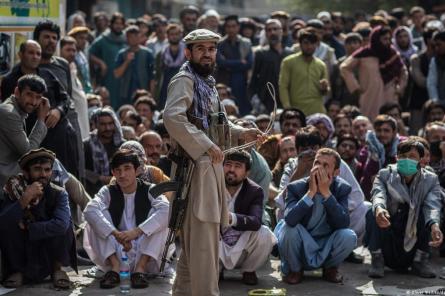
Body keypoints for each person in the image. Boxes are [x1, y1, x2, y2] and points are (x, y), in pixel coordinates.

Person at [163, 28, 262, 296]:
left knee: (196, 247)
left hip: (209, 167)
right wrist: (206, 145)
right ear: (188, 52)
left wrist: (242, 132)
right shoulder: (184, 79)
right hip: (195, 169)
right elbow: (172, 118)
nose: (207, 54)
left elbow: (217, 123)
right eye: (201, 49)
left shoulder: (206, 82)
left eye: (211, 49)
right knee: (204, 246)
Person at [83, 149, 171, 289]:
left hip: (145, 250)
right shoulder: (108, 191)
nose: (122, 175)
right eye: (117, 170)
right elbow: (89, 210)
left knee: (162, 217)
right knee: (94, 216)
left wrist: (136, 232)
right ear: (113, 173)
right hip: (117, 248)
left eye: (127, 168)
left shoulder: (150, 190)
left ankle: (140, 270)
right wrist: (116, 234)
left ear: (137, 171)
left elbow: (166, 211)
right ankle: (115, 268)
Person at [275, 148, 357, 284]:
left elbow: (343, 223)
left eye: (326, 166)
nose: (319, 168)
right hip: (302, 240)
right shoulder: (296, 187)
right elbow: (290, 219)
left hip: (326, 241)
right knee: (287, 229)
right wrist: (311, 193)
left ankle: (330, 269)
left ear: (336, 172)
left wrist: (326, 194)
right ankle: (295, 270)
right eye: (317, 163)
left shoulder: (342, 188)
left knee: (348, 236)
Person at [365, 138, 443, 278]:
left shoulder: (431, 180)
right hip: (388, 232)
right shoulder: (385, 174)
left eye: (412, 156)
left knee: (425, 215)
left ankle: (420, 261)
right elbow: (378, 194)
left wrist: (434, 225)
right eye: (402, 156)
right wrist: (380, 208)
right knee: (372, 212)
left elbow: (432, 205)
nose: (406, 160)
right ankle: (377, 260)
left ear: (420, 160)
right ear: (397, 158)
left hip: (413, 240)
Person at [0, 149, 76, 289]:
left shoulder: (59, 193)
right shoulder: (13, 190)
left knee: (66, 224)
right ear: (26, 172)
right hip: (24, 251)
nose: (43, 175)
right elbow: (3, 223)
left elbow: (61, 225)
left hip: (48, 249)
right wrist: (24, 199)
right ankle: (19, 271)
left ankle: (57, 269)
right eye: (37, 169)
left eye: (47, 170)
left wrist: (30, 228)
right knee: (9, 224)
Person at [219, 151, 277, 285]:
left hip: (242, 245)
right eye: (228, 165)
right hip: (217, 242)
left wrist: (231, 218)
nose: (231, 170)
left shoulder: (254, 191)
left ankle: (249, 270)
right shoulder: (213, 186)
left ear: (247, 173)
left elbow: (256, 221)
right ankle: (216, 270)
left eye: (238, 166)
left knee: (264, 234)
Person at [341, 26, 408, 120]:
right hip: (369, 96)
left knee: (390, 124)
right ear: (376, 39)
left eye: (389, 39)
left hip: (390, 95)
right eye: (385, 39)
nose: (388, 41)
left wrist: (399, 89)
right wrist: (356, 87)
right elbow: (344, 67)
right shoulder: (364, 53)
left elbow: (403, 71)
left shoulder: (392, 53)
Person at [0, 75, 49, 188]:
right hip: (5, 176)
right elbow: (29, 153)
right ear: (17, 92)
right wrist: (41, 119)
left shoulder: (17, 110)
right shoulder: (9, 113)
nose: (33, 102)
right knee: (54, 167)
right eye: (29, 95)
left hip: (13, 170)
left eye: (38, 97)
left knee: (53, 166)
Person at [279, 30, 329, 116]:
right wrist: (287, 107)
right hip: (296, 112)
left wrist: (324, 88)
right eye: (306, 43)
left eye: (312, 43)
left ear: (316, 45)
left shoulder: (321, 65)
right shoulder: (288, 62)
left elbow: (326, 91)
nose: (309, 46)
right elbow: (283, 86)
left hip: (317, 111)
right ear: (300, 44)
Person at [249, 19, 293, 113]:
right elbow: (253, 80)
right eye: (269, 30)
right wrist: (255, 100)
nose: (272, 32)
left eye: (275, 29)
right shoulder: (260, 53)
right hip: (266, 102)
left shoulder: (290, 53)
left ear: (281, 31)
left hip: (288, 100)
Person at [358, 115, 405, 200]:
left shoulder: (404, 146)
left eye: (386, 131)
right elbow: (365, 181)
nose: (382, 134)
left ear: (394, 132)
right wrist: (374, 159)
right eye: (379, 131)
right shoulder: (368, 149)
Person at [216, 15, 253, 115]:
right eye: (228, 26)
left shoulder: (246, 43)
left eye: (233, 26)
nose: (231, 29)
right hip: (225, 81)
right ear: (225, 27)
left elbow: (249, 64)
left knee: (243, 110)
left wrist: (229, 64)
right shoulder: (220, 44)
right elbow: (221, 63)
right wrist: (240, 62)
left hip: (242, 81)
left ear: (238, 27)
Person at [89, 12, 126, 109]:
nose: (118, 26)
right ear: (111, 24)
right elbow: (90, 53)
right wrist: (100, 63)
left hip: (124, 78)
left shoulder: (126, 38)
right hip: (109, 78)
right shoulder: (103, 39)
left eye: (120, 24)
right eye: (116, 23)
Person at [84, 108, 124, 195]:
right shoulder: (86, 145)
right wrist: (100, 178)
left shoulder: (123, 145)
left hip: (119, 191)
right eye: (103, 124)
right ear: (95, 125)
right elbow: (80, 169)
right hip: (93, 192)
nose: (108, 128)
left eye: (110, 123)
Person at [114, 25, 155, 108]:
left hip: (143, 93)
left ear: (140, 37)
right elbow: (117, 74)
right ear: (127, 38)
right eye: (131, 37)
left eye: (136, 36)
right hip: (126, 95)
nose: (134, 39)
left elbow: (152, 77)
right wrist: (127, 61)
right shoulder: (122, 54)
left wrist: (151, 94)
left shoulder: (148, 53)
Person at [60, 36, 90, 140]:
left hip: (82, 126)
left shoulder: (73, 68)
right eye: (68, 50)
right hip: (71, 127)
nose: (72, 53)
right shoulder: (59, 71)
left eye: (74, 50)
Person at [155, 23, 186, 108]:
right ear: (167, 35)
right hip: (166, 90)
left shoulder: (188, 53)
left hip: (183, 88)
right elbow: (157, 76)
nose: (174, 36)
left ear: (181, 35)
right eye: (172, 34)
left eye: (176, 34)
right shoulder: (161, 54)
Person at [68, 26, 93, 94]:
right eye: (81, 38)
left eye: (85, 38)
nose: (84, 41)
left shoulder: (82, 55)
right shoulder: (70, 56)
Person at [427, 31, 445, 103]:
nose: (437, 48)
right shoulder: (435, 61)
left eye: (439, 45)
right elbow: (431, 83)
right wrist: (435, 101)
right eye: (435, 46)